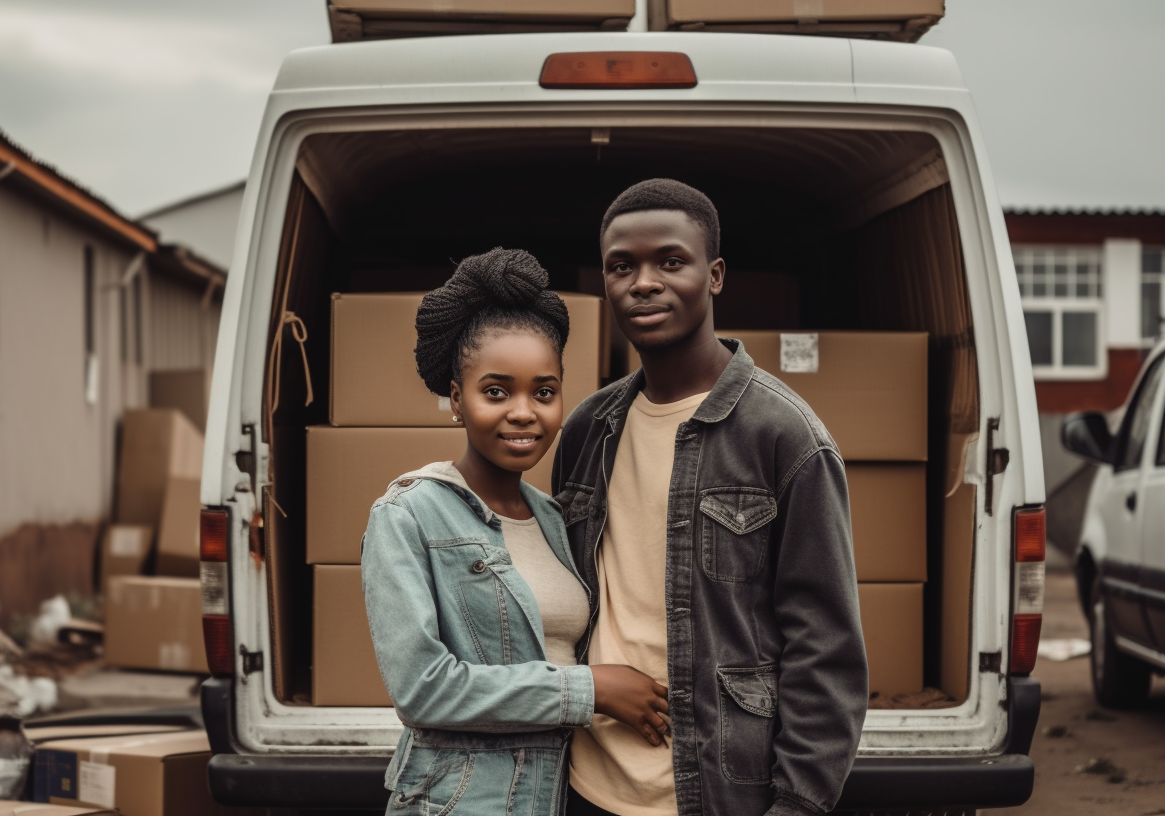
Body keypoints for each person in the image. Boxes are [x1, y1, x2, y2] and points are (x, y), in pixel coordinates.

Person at [553, 180, 869, 816]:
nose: (644, 282)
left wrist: (800, 802)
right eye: (623, 266)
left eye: (671, 261)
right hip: (585, 783)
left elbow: (825, 647)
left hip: (716, 791)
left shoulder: (785, 437)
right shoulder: (589, 428)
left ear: (715, 274)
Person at [361, 247, 670, 816]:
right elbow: (423, 689)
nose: (524, 412)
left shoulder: (556, 519)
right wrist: (591, 690)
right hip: (459, 800)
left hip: (555, 794)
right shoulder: (409, 514)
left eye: (544, 392)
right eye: (496, 391)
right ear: (457, 398)